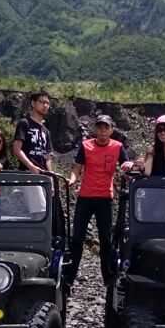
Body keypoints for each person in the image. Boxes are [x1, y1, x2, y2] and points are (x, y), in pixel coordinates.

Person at [64, 115, 129, 287]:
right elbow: (77, 167)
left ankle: (107, 279)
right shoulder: (86, 145)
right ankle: (69, 278)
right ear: (95, 129)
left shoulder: (118, 147)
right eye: (99, 127)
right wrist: (71, 180)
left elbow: (126, 167)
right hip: (85, 197)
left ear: (111, 130)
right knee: (77, 239)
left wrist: (130, 167)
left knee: (106, 240)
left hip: (105, 198)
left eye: (106, 127)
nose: (102, 130)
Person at [12, 91, 53, 176]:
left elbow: (47, 157)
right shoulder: (24, 123)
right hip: (26, 173)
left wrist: (51, 176)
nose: (45, 105)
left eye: (47, 103)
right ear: (33, 103)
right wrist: (30, 166)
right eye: (42, 102)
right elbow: (17, 149)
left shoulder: (46, 131)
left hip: (42, 175)